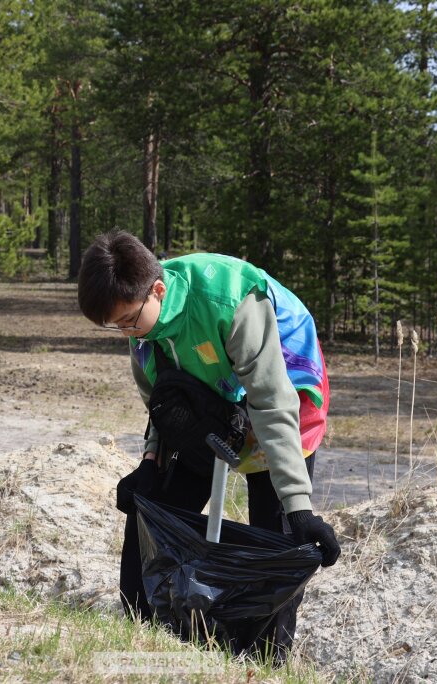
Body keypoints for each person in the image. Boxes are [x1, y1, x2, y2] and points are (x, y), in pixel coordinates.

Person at [77, 230, 340, 658]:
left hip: (283, 392)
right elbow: (165, 402)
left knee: (275, 538)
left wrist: (299, 507)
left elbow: (273, 404)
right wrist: (150, 462)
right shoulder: (142, 328)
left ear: (157, 290)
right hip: (210, 396)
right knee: (157, 502)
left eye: (128, 320)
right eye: (115, 326)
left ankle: (264, 660)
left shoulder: (230, 301)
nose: (125, 332)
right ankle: (144, 630)